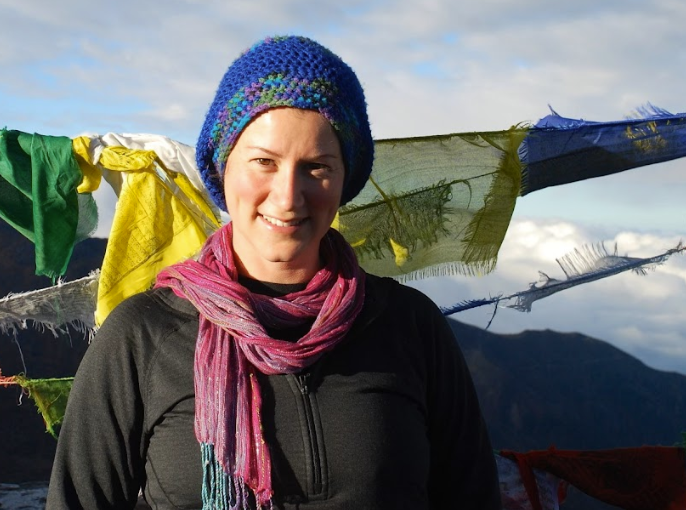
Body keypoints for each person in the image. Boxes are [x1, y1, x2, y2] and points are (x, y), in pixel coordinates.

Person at [46, 35, 501, 510]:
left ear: (346, 179)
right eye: (264, 162)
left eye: (317, 167)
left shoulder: (409, 327)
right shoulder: (142, 335)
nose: (288, 196)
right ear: (223, 169)